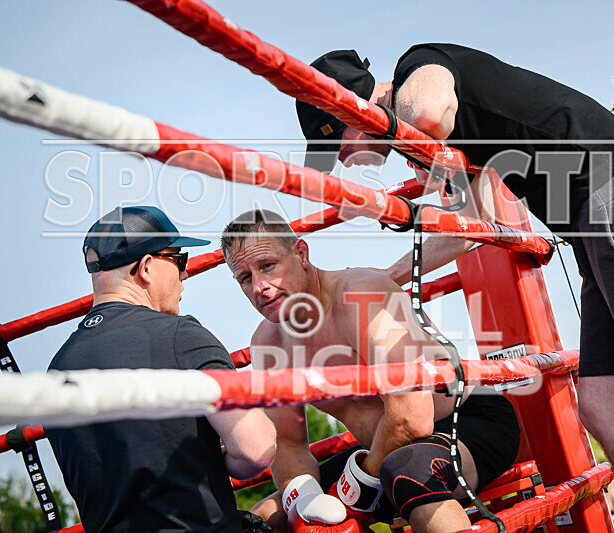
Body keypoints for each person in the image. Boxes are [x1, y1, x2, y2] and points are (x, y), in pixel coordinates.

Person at [295, 46, 614, 533]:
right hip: (596, 224)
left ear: (348, 109)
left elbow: (428, 108)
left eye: (339, 144)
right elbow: (469, 224)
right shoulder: (453, 142)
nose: (345, 160)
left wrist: (421, 151)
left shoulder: (417, 66)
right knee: (602, 408)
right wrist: (380, 281)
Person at [220, 209, 520, 533]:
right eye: (245, 278)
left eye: (268, 266)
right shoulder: (269, 345)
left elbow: (412, 417)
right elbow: (289, 446)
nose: (260, 287)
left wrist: (352, 490)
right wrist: (305, 497)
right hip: (378, 451)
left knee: (408, 473)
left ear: (301, 254)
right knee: (266, 516)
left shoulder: (359, 297)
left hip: (463, 422)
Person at [46, 206, 276, 533]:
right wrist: (218, 458)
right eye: (178, 259)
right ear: (147, 267)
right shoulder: (180, 337)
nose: (184, 274)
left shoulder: (57, 369)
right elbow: (256, 448)